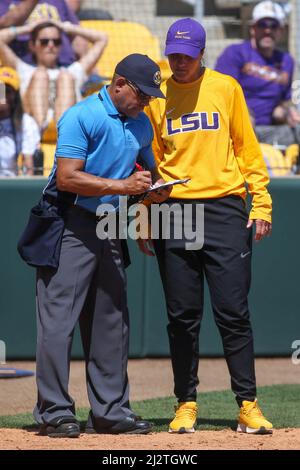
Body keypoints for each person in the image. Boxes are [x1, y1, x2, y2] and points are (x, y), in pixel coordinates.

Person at [22, 53, 170, 438]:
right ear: (119, 83)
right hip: (69, 220)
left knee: (111, 322)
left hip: (111, 224)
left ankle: (109, 411)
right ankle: (54, 411)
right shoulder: (81, 115)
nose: (146, 102)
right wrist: (124, 187)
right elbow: (69, 178)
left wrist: (152, 193)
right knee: (59, 321)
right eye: (142, 94)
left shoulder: (141, 125)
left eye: (151, 97)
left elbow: (146, 173)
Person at [143, 17, 274, 434]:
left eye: (187, 54)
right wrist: (145, 214)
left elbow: (246, 148)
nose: (179, 62)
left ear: (202, 53)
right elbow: (151, 161)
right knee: (182, 317)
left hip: (224, 208)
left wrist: (262, 202)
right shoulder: (157, 94)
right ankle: (185, 403)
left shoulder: (226, 87)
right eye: (173, 54)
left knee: (233, 312)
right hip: (174, 211)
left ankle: (247, 404)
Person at [215, 0, 300, 146]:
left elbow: (282, 105)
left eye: (274, 26)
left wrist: (288, 113)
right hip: (235, 126)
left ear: (281, 31)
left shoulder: (287, 61)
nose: (268, 30)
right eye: (262, 25)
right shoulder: (235, 53)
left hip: (269, 130)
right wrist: (244, 114)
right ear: (253, 28)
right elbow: (222, 93)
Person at [0, 20, 108, 130]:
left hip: (64, 128)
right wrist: (28, 28)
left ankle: (64, 131)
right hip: (33, 126)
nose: (51, 45)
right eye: (44, 41)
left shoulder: (73, 71)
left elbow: (102, 38)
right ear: (32, 45)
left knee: (65, 76)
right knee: (40, 74)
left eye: (56, 41)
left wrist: (66, 27)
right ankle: (40, 128)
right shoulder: (23, 69)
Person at [0, 0, 87, 66]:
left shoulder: (58, 1)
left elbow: (76, 36)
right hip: (26, 67)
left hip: (66, 66)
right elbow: (5, 23)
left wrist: (89, 70)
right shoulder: (4, 2)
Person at [0, 66, 39, 175]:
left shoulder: (27, 123)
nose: (3, 96)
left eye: (8, 91)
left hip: (12, 185)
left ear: (15, 95)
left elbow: (28, 167)